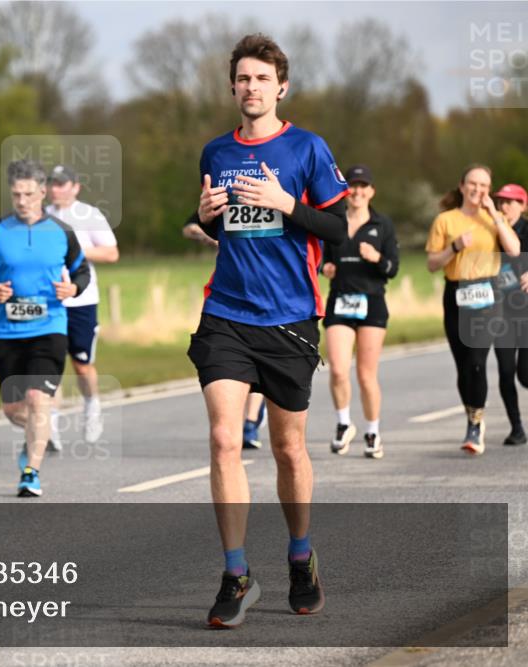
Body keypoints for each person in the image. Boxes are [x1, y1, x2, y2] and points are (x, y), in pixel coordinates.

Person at [184, 34, 349, 628]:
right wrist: (205, 220)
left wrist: (285, 202)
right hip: (227, 315)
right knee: (226, 440)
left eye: (262, 79)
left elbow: (337, 232)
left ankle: (301, 557)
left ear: (281, 86)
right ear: (232, 87)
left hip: (289, 319)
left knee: (287, 448)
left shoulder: (307, 148)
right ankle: (236, 573)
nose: (251, 88)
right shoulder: (215, 153)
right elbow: (224, 226)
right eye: (242, 79)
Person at [0, 159, 89, 497]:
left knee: (37, 398)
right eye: (16, 194)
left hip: (49, 326)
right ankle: (40, 431)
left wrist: (73, 289)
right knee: (13, 410)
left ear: (41, 192)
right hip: (5, 331)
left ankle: (30, 471)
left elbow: (83, 272)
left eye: (28, 194)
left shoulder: (62, 232)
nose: (21, 200)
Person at [426, 164, 520, 456]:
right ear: (462, 186)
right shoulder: (445, 220)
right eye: (473, 184)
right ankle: (473, 415)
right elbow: (432, 264)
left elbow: (514, 250)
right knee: (464, 365)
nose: (478, 189)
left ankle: (475, 425)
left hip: (487, 296)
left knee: (478, 359)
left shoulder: (496, 218)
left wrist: (495, 215)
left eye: (483, 185)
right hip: (456, 293)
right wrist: (453, 247)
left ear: (488, 190)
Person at [321, 165, 400, 459]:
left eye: (362, 185)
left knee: (367, 375)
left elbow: (393, 268)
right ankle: (344, 424)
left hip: (372, 303)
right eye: (352, 186)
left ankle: (373, 431)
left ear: (371, 191)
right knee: (339, 370)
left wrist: (376, 256)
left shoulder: (383, 225)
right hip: (340, 300)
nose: (356, 191)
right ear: (346, 190)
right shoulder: (335, 223)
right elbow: (319, 259)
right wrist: (324, 268)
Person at [45, 164, 118, 447]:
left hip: (83, 300)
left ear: (75, 187)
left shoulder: (89, 215)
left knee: (81, 364)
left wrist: (74, 250)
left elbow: (112, 252)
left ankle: (92, 405)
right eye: (52, 184)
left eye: (62, 184)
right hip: (50, 300)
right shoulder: (42, 217)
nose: (55, 189)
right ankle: (49, 425)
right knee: (51, 363)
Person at [182, 212, 267, 450]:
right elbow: (189, 226)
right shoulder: (224, 194)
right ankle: (244, 422)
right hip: (229, 295)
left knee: (260, 365)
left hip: (267, 295)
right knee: (236, 365)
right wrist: (204, 232)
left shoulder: (273, 200)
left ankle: (250, 424)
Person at [490, 183, 528, 445]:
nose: (505, 207)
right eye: (501, 202)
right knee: (505, 371)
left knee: (525, 375)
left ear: (523, 206)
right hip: (501, 313)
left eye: (511, 202)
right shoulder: (491, 231)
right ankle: (516, 428)